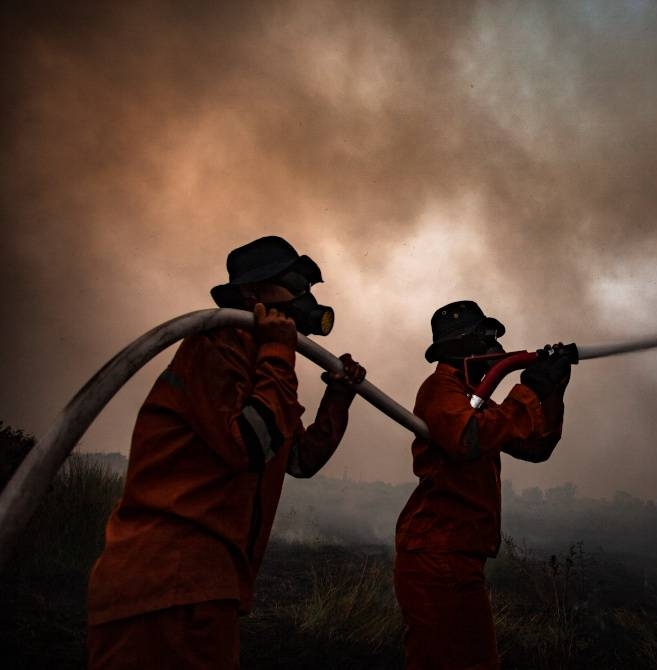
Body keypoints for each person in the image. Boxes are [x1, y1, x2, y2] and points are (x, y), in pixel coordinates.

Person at [87, 236, 365, 669]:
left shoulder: (262, 362)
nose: (304, 297)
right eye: (292, 282)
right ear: (252, 294)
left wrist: (339, 400)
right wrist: (278, 352)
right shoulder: (218, 344)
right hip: (165, 586)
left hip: (205, 587)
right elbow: (250, 445)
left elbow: (296, 459)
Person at [394, 300, 573, 669]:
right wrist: (526, 392)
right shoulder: (441, 389)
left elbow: (536, 446)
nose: (496, 348)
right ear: (463, 345)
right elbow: (468, 439)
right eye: (488, 338)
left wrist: (551, 391)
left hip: (457, 555)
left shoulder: (475, 399)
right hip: (435, 555)